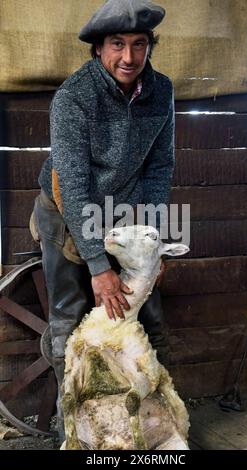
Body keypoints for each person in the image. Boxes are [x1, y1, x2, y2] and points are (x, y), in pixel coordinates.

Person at [31, 0, 175, 438]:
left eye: (139, 45)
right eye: (117, 44)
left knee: (148, 321)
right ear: (98, 49)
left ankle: (144, 428)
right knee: (68, 322)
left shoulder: (160, 90)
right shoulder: (74, 97)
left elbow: (159, 167)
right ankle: (73, 431)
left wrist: (149, 246)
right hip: (66, 210)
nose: (128, 58)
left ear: (150, 47)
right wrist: (97, 265)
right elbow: (71, 183)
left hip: (124, 215)